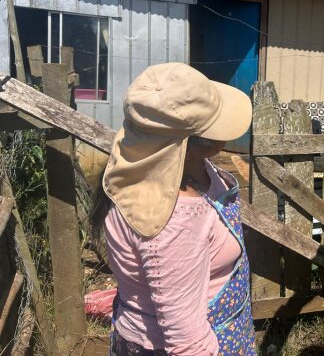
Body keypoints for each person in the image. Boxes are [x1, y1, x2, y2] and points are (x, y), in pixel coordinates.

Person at [90, 62, 256, 355]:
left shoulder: (143, 167)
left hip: (223, 325)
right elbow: (187, 343)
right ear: (193, 148)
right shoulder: (174, 224)